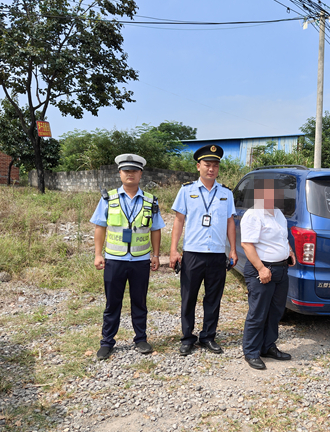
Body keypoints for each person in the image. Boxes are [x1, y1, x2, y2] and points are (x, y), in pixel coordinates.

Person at [91, 154, 165, 360]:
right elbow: (100, 227)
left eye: (134, 170)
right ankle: (107, 342)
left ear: (140, 174)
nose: (130, 174)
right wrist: (98, 254)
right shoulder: (108, 198)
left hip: (140, 260)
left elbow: (156, 229)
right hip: (115, 259)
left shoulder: (151, 200)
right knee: (112, 303)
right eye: (126, 170)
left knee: (139, 301)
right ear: (120, 173)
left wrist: (156, 255)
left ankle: (140, 338)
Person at [169, 145, 238, 356]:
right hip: (193, 253)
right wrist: (173, 250)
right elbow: (179, 221)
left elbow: (230, 223)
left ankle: (208, 336)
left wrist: (233, 250)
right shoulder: (186, 190)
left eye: (215, 165)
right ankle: (187, 338)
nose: (211, 169)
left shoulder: (226, 193)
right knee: (188, 297)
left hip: (217, 254)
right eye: (207, 165)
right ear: (198, 166)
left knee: (213, 298)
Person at [240, 178, 295, 370]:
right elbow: (247, 244)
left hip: (281, 269)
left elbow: (282, 237)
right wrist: (261, 268)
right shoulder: (253, 214)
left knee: (275, 312)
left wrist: (289, 252)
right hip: (262, 270)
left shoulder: (278, 213)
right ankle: (251, 352)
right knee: (258, 312)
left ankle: (268, 346)